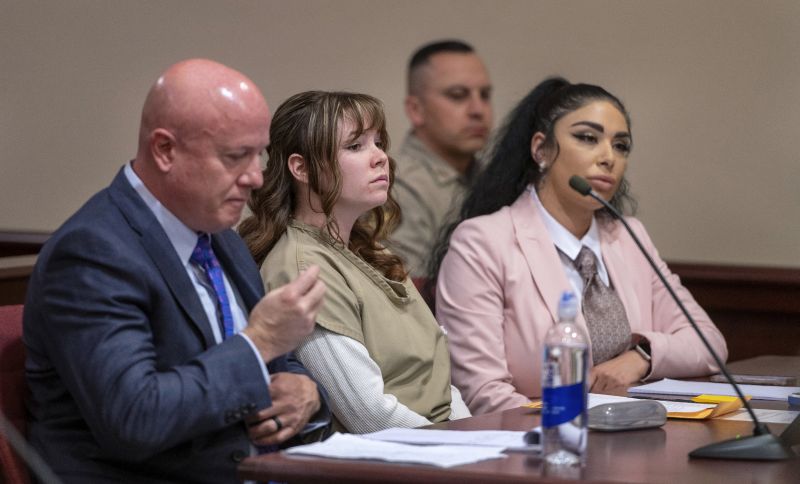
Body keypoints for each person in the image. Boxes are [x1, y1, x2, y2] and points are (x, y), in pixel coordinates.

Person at [23, 59, 330, 483]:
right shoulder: (92, 253)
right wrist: (258, 342)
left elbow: (278, 363)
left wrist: (306, 393)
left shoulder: (218, 235)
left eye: (258, 154)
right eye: (235, 157)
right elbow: (135, 417)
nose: (257, 177)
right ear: (165, 150)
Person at [432, 77, 728, 415]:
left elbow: (708, 343)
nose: (608, 157)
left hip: (634, 437)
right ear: (541, 149)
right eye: (587, 138)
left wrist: (641, 358)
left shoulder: (629, 236)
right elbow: (482, 391)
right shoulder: (483, 242)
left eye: (621, 146)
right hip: (537, 447)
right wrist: (573, 433)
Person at [239, 90, 471, 433]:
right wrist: (465, 448)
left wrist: (475, 435)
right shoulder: (302, 267)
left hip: (442, 444)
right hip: (399, 460)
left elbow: (439, 385)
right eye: (355, 146)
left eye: (379, 142)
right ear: (301, 168)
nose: (380, 157)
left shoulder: (375, 254)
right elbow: (369, 416)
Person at [390, 40, 493, 278]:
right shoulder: (396, 187)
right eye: (458, 95)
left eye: (485, 95)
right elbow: (405, 294)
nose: (478, 109)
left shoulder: (490, 176)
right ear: (416, 110)